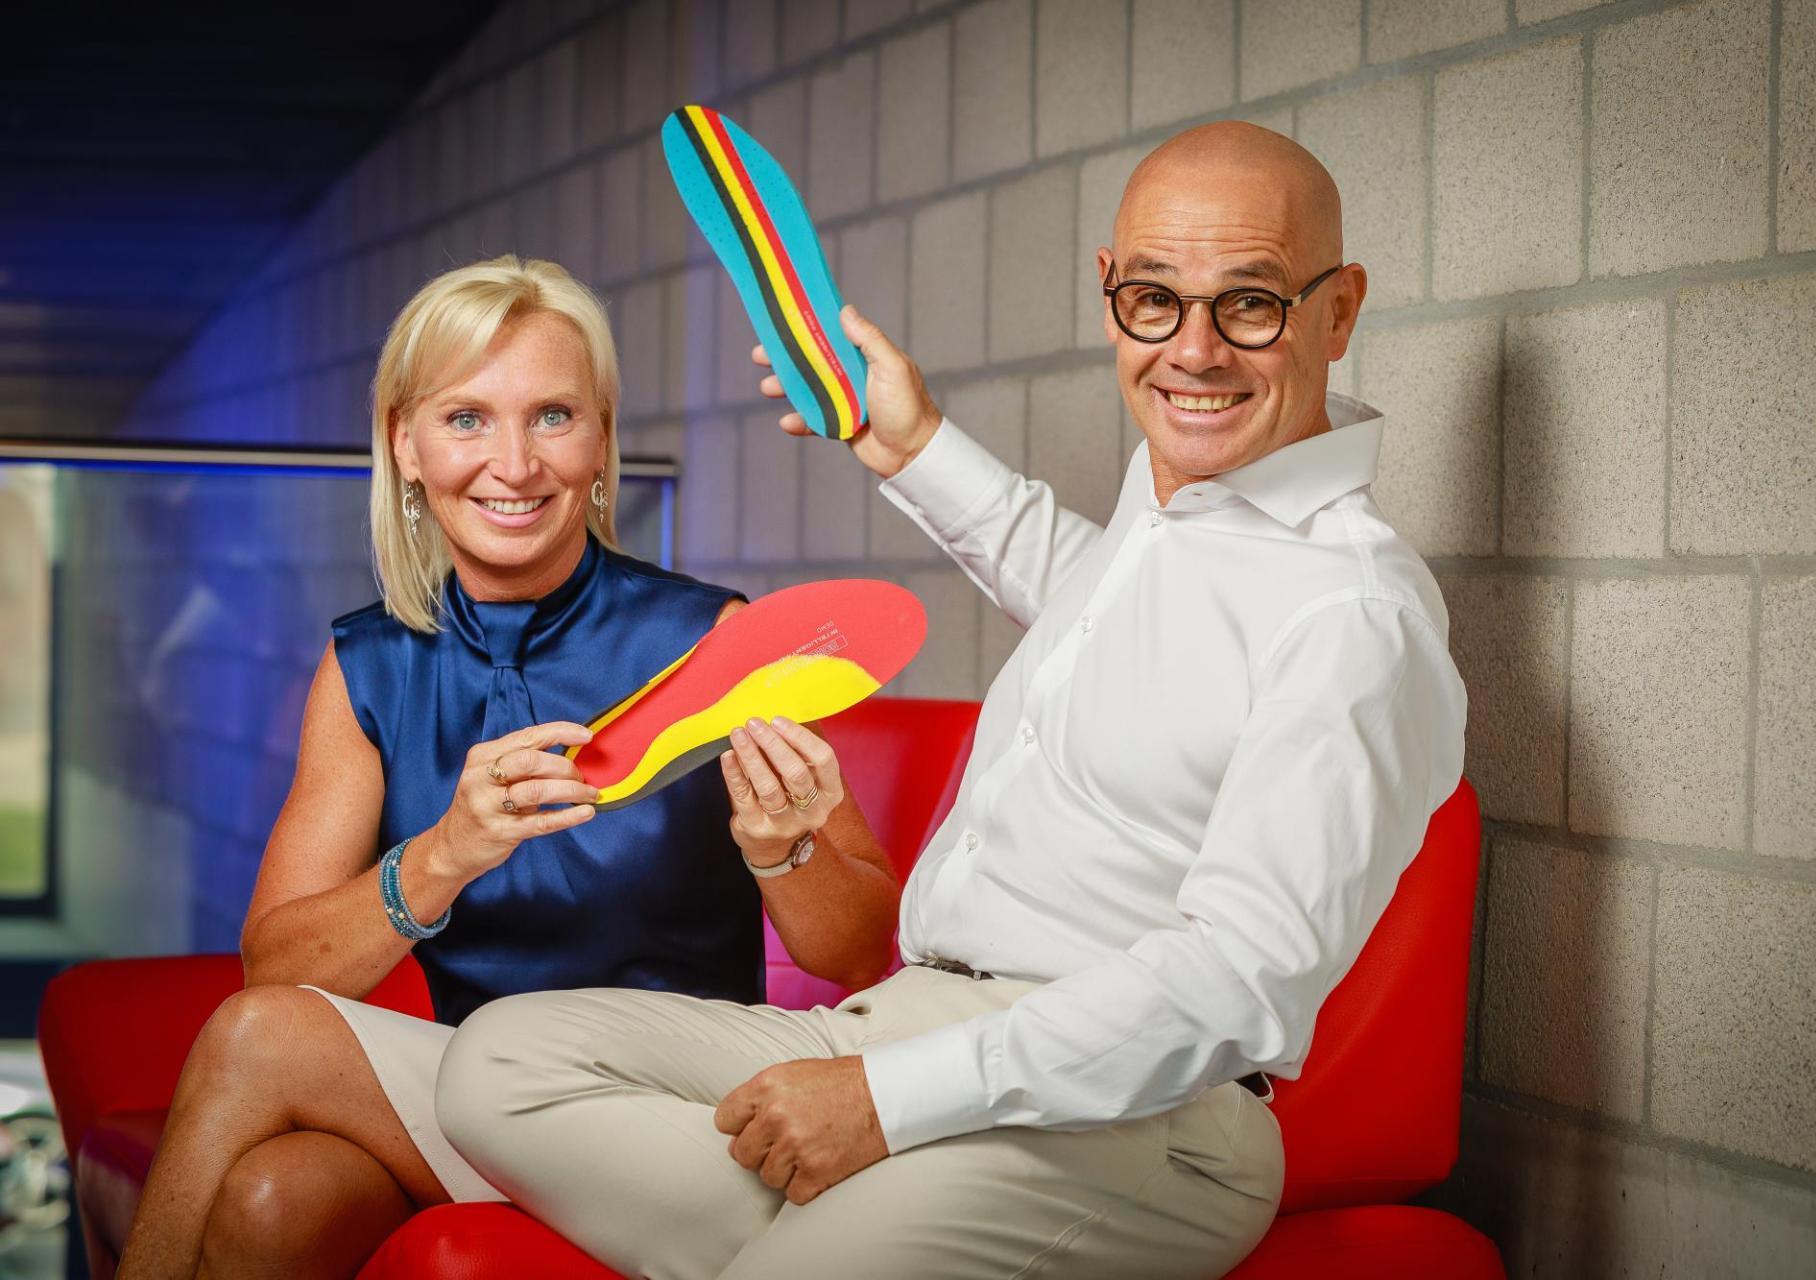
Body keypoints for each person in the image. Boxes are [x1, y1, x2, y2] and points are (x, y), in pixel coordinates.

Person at [429, 121, 1469, 1280]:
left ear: (1339, 309)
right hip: (913, 1016)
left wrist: (884, 1102)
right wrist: (910, 442)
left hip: (1137, 1121)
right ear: (1110, 293)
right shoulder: (1185, 503)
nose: (1195, 349)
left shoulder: (1351, 613)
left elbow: (1235, 981)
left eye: (1252, 303)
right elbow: (1084, 592)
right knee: (496, 1063)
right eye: (1154, 300)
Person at [114, 256, 903, 1279]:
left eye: (553, 416)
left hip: (669, 1107)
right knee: (275, 1202)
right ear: (405, 444)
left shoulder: (710, 640)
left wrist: (781, 848)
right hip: (477, 1101)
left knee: (261, 1037)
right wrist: (444, 854)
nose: (516, 464)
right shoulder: (367, 664)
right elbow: (281, 962)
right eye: (467, 419)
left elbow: (861, 950)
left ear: (601, 438)